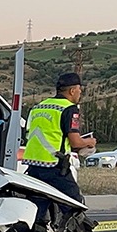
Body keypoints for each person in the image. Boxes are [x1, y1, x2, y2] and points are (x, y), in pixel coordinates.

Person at [24, 72, 93, 202]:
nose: (80, 94)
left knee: (38, 206)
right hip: (54, 166)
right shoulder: (69, 109)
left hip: (33, 166)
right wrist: (89, 141)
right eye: (80, 90)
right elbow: (76, 142)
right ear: (72, 91)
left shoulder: (38, 107)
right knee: (74, 203)